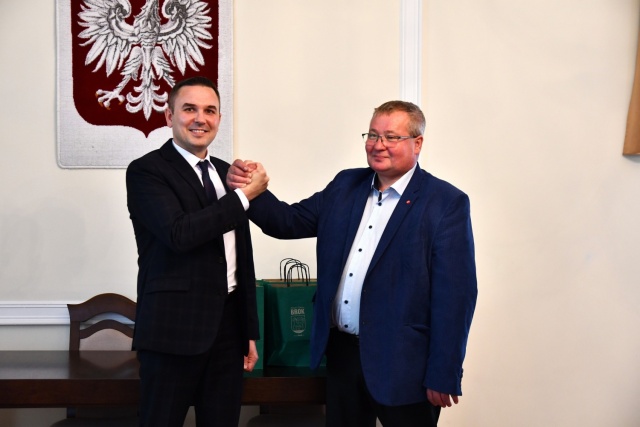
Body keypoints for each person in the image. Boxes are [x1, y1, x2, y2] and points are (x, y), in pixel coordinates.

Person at [227, 100, 477, 427]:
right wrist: (250, 190)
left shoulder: (445, 203)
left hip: (404, 364)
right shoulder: (346, 186)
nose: (378, 144)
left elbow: (455, 297)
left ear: (417, 143)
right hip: (343, 356)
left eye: (391, 137)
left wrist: (444, 372)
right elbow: (288, 221)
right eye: (372, 135)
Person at [126, 76, 269, 427]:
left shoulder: (226, 172)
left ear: (219, 118)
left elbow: (240, 258)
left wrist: (248, 330)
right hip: (171, 331)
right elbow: (180, 233)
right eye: (189, 109)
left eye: (209, 111)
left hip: (228, 331)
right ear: (169, 115)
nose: (200, 119)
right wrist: (243, 196)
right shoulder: (146, 171)